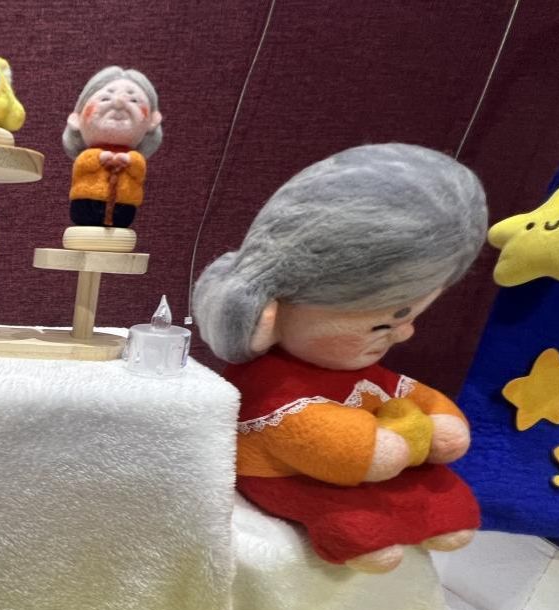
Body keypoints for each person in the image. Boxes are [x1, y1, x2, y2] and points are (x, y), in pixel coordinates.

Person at [193, 143, 488, 572]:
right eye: (381, 324)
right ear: (271, 317)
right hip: (286, 472)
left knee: (445, 496)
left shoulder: (363, 369)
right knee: (352, 519)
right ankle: (356, 536)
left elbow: (411, 393)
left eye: (409, 318)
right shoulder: (271, 381)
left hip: (376, 456)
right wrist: (374, 448)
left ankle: (426, 519)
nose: (405, 333)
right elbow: (308, 434)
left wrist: (438, 422)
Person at [62, 67, 162, 229]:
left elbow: (138, 169)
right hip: (86, 200)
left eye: (134, 100)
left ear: (153, 120)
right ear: (76, 119)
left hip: (124, 203)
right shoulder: (88, 155)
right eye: (105, 98)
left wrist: (129, 161)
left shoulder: (135, 158)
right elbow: (82, 164)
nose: (119, 102)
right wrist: (99, 158)